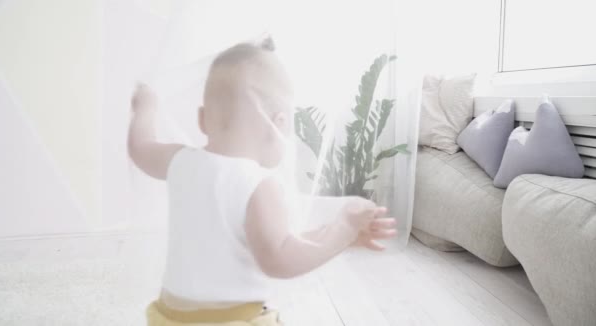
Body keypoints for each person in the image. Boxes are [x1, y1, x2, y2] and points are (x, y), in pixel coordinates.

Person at [128, 38, 397, 326]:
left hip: (169, 316)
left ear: (202, 119)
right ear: (280, 123)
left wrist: (146, 107)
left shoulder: (178, 160)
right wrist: (343, 230)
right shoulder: (258, 184)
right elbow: (279, 258)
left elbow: (140, 147)